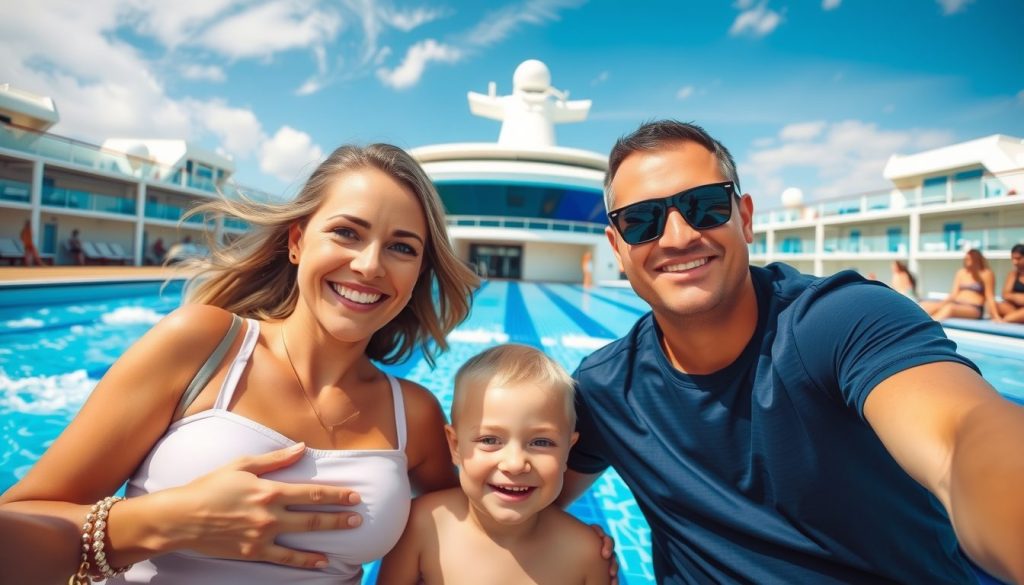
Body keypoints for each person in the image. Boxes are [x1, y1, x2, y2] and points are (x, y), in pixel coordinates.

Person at [557, 120, 1024, 584]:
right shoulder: (607, 389)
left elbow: (960, 438)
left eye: (705, 206)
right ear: (617, 249)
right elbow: (510, 498)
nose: (678, 237)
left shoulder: (842, 321)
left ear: (744, 218)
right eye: (642, 221)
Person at [0, 144, 479, 584]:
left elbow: (484, 526)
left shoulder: (413, 415)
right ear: (297, 242)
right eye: (346, 232)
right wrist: (164, 521)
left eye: (402, 247)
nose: (370, 265)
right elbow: (15, 526)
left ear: (418, 274)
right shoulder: (202, 346)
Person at [378, 344, 610, 584]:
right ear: (455, 446)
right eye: (489, 440)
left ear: (567, 452)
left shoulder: (587, 554)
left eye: (541, 442)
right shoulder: (422, 525)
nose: (515, 464)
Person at [920, 248, 1002, 322]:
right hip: (957, 303)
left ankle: (929, 326)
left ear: (976, 259)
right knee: (925, 305)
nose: (967, 261)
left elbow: (990, 296)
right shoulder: (961, 272)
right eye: (966, 259)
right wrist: (940, 304)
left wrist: (995, 315)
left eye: (969, 259)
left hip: (974, 308)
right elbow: (953, 294)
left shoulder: (986, 274)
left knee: (949, 308)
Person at [996, 243, 1024, 323]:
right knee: (995, 305)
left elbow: (1009, 295)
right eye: (1013, 259)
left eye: (1018, 259)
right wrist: (1019, 298)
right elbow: (1005, 295)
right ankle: (1016, 318)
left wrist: (1013, 296)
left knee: (1013, 317)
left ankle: (1007, 319)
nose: (1015, 262)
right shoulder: (1013, 275)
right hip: (1014, 308)